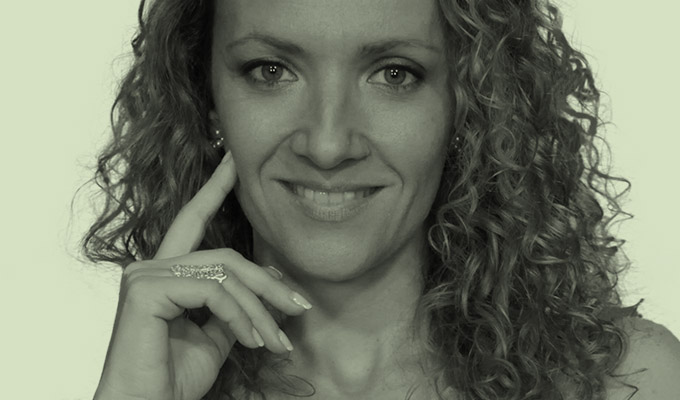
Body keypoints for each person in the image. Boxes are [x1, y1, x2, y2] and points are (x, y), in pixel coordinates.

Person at [84, 0, 680, 399]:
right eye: (270, 70)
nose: (327, 144)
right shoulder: (160, 382)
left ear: (470, 103)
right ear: (207, 97)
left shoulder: (624, 382)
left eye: (394, 74)